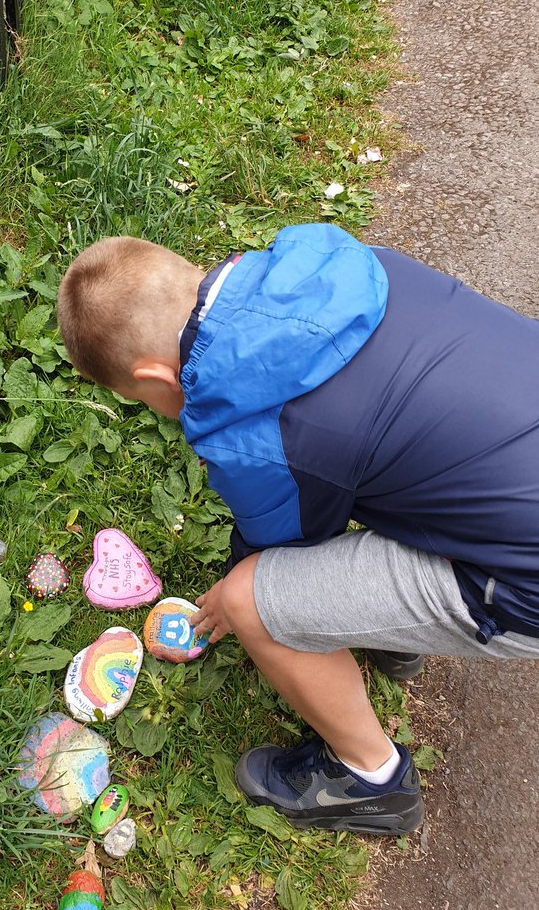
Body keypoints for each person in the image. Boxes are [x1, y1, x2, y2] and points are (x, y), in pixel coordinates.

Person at [56, 222, 539, 835]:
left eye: (143, 400)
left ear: (156, 379)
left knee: (253, 599)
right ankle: (397, 633)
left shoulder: (250, 433)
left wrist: (236, 589)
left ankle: (370, 780)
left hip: (525, 580)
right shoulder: (332, 261)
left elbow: (281, 548)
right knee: (379, 457)